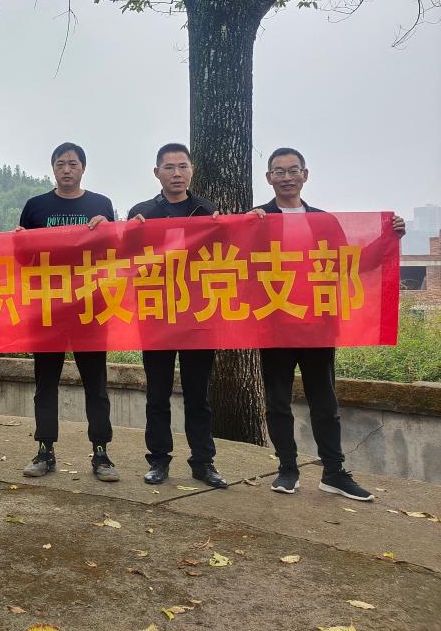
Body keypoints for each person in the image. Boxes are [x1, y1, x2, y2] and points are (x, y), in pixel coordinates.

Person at [250, 147, 405, 502]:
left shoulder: (324, 222)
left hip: (318, 325)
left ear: (305, 175)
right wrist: (244, 224)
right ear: (269, 178)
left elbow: (351, 264)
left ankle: (333, 472)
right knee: (277, 402)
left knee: (324, 402)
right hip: (274, 326)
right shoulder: (257, 219)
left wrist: (388, 238)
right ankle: (287, 469)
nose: (287, 177)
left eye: (293, 170)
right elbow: (228, 257)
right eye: (279, 171)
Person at [17, 142, 120, 482]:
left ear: (83, 168)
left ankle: (101, 452)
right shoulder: (35, 206)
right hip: (48, 309)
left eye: (73, 163)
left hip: (90, 308)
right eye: (60, 163)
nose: (66, 169)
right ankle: (45, 450)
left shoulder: (101, 205)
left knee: (96, 384)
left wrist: (108, 229)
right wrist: (19, 241)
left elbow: (113, 254)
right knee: (45, 383)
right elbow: (23, 259)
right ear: (53, 168)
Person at [127, 143, 227, 489]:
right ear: (157, 173)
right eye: (169, 167)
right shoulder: (142, 213)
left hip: (198, 317)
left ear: (192, 170)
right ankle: (158, 460)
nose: (176, 173)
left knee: (199, 396)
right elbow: (126, 262)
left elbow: (225, 257)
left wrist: (228, 228)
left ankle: (203, 462)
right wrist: (130, 234)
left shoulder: (207, 211)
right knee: (157, 395)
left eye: (183, 166)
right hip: (157, 315)